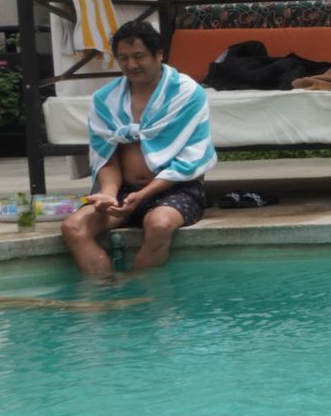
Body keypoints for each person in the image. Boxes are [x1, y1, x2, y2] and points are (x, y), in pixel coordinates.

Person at [62, 19, 216, 275]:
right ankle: (108, 295)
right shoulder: (105, 100)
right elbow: (106, 156)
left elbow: (191, 158)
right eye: (123, 58)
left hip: (176, 189)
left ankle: (140, 298)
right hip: (122, 191)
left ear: (159, 54)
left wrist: (143, 195)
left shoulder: (187, 94)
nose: (131, 65)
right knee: (73, 227)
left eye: (138, 56)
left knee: (159, 225)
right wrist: (109, 194)